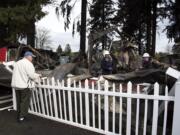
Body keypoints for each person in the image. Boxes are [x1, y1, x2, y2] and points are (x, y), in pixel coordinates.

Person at [11, 51, 41, 122]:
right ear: (28, 56)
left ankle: (19, 114)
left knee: (19, 101)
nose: (32, 59)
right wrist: (38, 75)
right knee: (24, 102)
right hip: (24, 86)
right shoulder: (28, 64)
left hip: (16, 85)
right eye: (32, 57)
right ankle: (21, 117)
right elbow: (32, 75)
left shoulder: (17, 63)